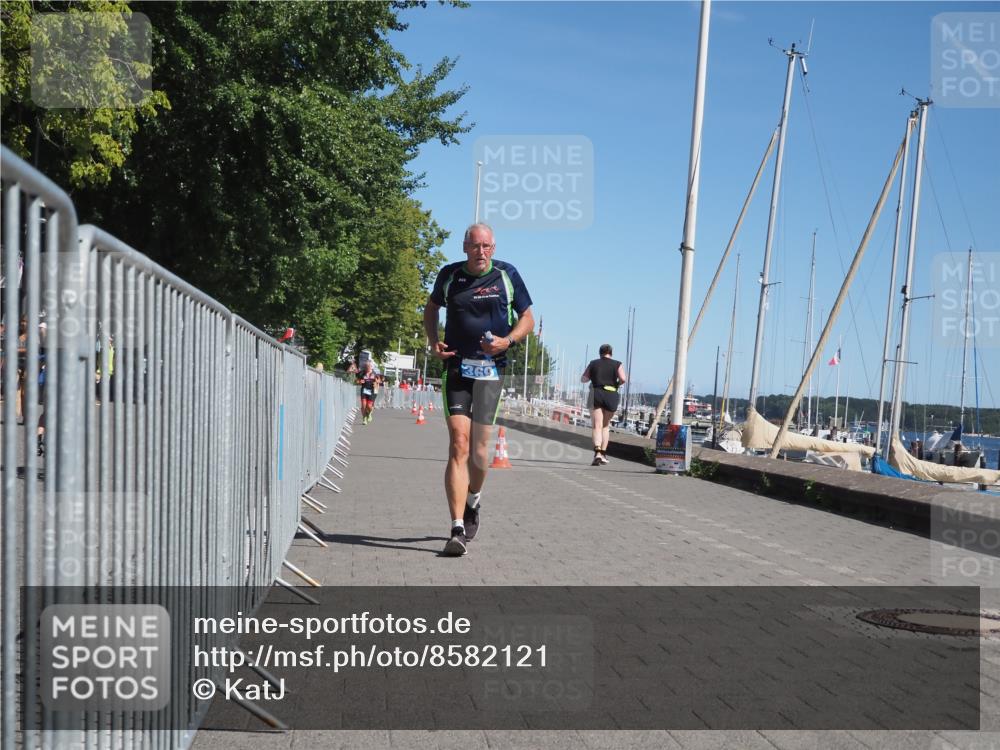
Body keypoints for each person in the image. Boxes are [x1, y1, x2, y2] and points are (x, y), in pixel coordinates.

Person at [424, 223, 534, 556]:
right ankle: (457, 527)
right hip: (457, 368)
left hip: (490, 371)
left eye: (486, 246)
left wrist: (508, 341)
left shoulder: (507, 275)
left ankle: (474, 500)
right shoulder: (450, 275)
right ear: (464, 247)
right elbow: (431, 309)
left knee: (479, 450)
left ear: (494, 248)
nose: (481, 252)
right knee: (458, 443)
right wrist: (433, 343)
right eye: (475, 246)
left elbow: (527, 317)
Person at [581, 344, 627, 466]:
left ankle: (597, 453)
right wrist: (616, 384)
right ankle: (603, 454)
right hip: (611, 394)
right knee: (605, 426)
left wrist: (593, 377)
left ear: (600, 353)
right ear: (611, 353)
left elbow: (584, 379)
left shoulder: (593, 363)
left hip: (597, 393)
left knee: (597, 425)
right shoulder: (617, 364)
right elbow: (623, 379)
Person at [356, 360, 378, 425]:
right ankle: (364, 418)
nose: (368, 367)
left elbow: (379, 381)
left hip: (372, 391)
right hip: (364, 390)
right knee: (363, 405)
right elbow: (356, 381)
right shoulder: (362, 373)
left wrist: (376, 384)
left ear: (372, 366)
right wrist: (359, 382)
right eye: (366, 366)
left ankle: (369, 414)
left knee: (369, 406)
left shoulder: (375, 373)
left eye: (369, 366)